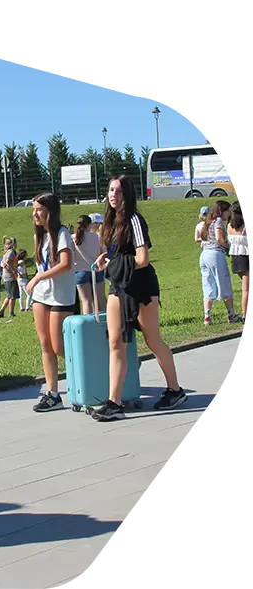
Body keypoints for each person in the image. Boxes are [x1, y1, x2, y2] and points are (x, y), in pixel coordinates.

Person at [94, 175, 187, 421]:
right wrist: (105, 259)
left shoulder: (134, 219)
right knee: (116, 342)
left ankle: (175, 390)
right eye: (111, 190)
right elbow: (115, 253)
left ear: (128, 195)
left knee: (152, 339)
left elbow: (142, 258)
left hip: (141, 287)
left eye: (119, 191)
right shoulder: (110, 222)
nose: (114, 195)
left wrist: (114, 262)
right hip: (118, 286)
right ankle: (113, 401)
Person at [26, 193, 76, 413]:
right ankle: (53, 394)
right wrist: (37, 282)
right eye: (33, 210)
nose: (35, 214)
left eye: (38, 209)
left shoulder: (62, 233)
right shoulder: (41, 236)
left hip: (61, 296)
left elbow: (66, 264)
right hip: (41, 297)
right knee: (45, 345)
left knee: (59, 346)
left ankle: (88, 372)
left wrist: (37, 277)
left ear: (50, 211)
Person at [199, 200, 242, 325]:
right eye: (228, 211)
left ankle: (207, 316)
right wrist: (228, 247)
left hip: (204, 255)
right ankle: (231, 314)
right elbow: (219, 238)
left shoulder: (208, 221)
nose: (229, 215)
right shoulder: (217, 221)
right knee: (224, 283)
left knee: (208, 285)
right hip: (215, 255)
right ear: (222, 210)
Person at [71, 215, 107, 315]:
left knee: (86, 301)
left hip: (80, 271)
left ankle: (89, 324)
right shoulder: (97, 238)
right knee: (100, 299)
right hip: (96, 270)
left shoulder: (73, 238)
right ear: (89, 225)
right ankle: (105, 321)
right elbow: (104, 252)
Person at [227, 200, 252, 328]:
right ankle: (245, 316)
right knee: (246, 289)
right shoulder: (246, 227)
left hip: (235, 257)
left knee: (247, 288)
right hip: (245, 257)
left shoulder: (230, 226)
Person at [0, 237, 19, 319]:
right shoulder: (11, 252)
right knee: (13, 295)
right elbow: (8, 261)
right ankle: (11, 312)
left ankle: (1, 311)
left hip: (5, 276)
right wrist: (14, 271)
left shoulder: (5, 253)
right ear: (12, 244)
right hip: (10, 276)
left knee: (9, 295)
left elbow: (2, 263)